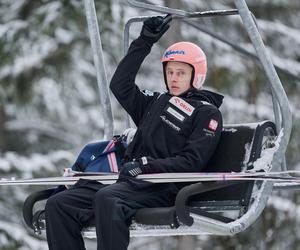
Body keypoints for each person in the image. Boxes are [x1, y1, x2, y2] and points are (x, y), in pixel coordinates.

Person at [45, 15, 223, 250]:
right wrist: (144, 41)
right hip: (128, 181)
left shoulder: (206, 113)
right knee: (58, 204)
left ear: (195, 75)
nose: (173, 79)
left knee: (108, 199)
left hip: (162, 185)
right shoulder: (156, 103)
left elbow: (191, 162)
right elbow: (120, 85)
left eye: (180, 73)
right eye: (170, 72)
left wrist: (146, 166)